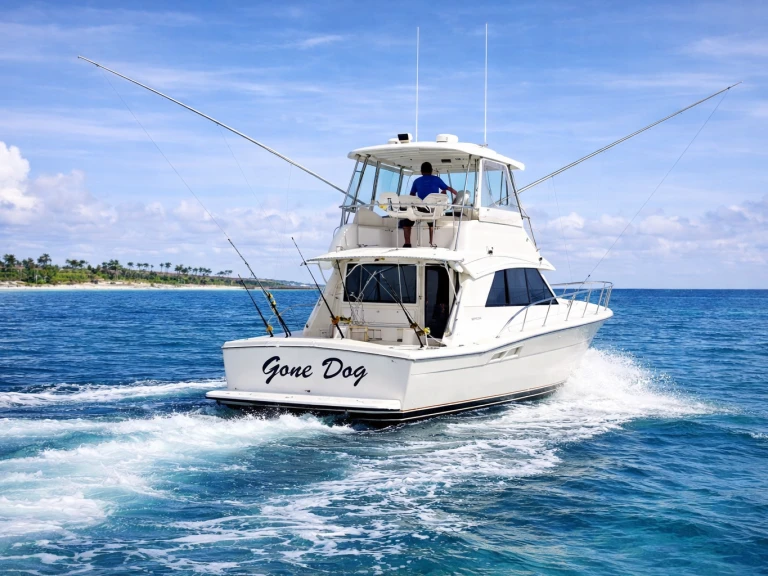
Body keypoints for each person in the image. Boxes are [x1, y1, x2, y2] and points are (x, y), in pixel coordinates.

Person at [399, 162, 458, 247]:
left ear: (421, 171)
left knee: (406, 221)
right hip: (432, 210)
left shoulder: (416, 181)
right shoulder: (437, 179)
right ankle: (431, 242)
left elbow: (412, 195)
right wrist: (456, 195)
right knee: (432, 221)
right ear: (431, 171)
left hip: (419, 209)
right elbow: (448, 188)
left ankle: (407, 243)